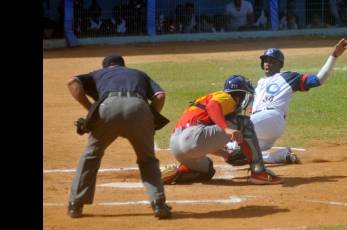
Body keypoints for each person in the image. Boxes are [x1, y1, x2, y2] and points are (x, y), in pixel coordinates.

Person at [66, 55, 172, 219]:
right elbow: (160, 96)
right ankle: (158, 204)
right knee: (148, 159)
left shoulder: (97, 74)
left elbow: (72, 82)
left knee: (91, 155)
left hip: (108, 108)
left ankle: (76, 204)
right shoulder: (138, 73)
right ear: (123, 66)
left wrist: (91, 111)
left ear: (106, 67)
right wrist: (149, 118)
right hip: (139, 108)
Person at [225, 38, 347, 165]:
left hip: (272, 117)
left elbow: (318, 80)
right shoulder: (259, 85)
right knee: (236, 153)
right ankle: (279, 156)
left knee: (231, 128)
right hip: (262, 127)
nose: (267, 63)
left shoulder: (288, 77)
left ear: (280, 64)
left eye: (271, 61)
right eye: (265, 60)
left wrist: (334, 56)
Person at [160, 75, 284, 185]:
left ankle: (176, 172)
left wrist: (224, 154)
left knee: (207, 170)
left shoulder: (214, 101)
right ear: (239, 94)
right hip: (192, 137)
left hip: (177, 146)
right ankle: (259, 173)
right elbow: (212, 106)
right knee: (245, 123)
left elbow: (201, 139)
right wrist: (226, 129)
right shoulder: (227, 97)